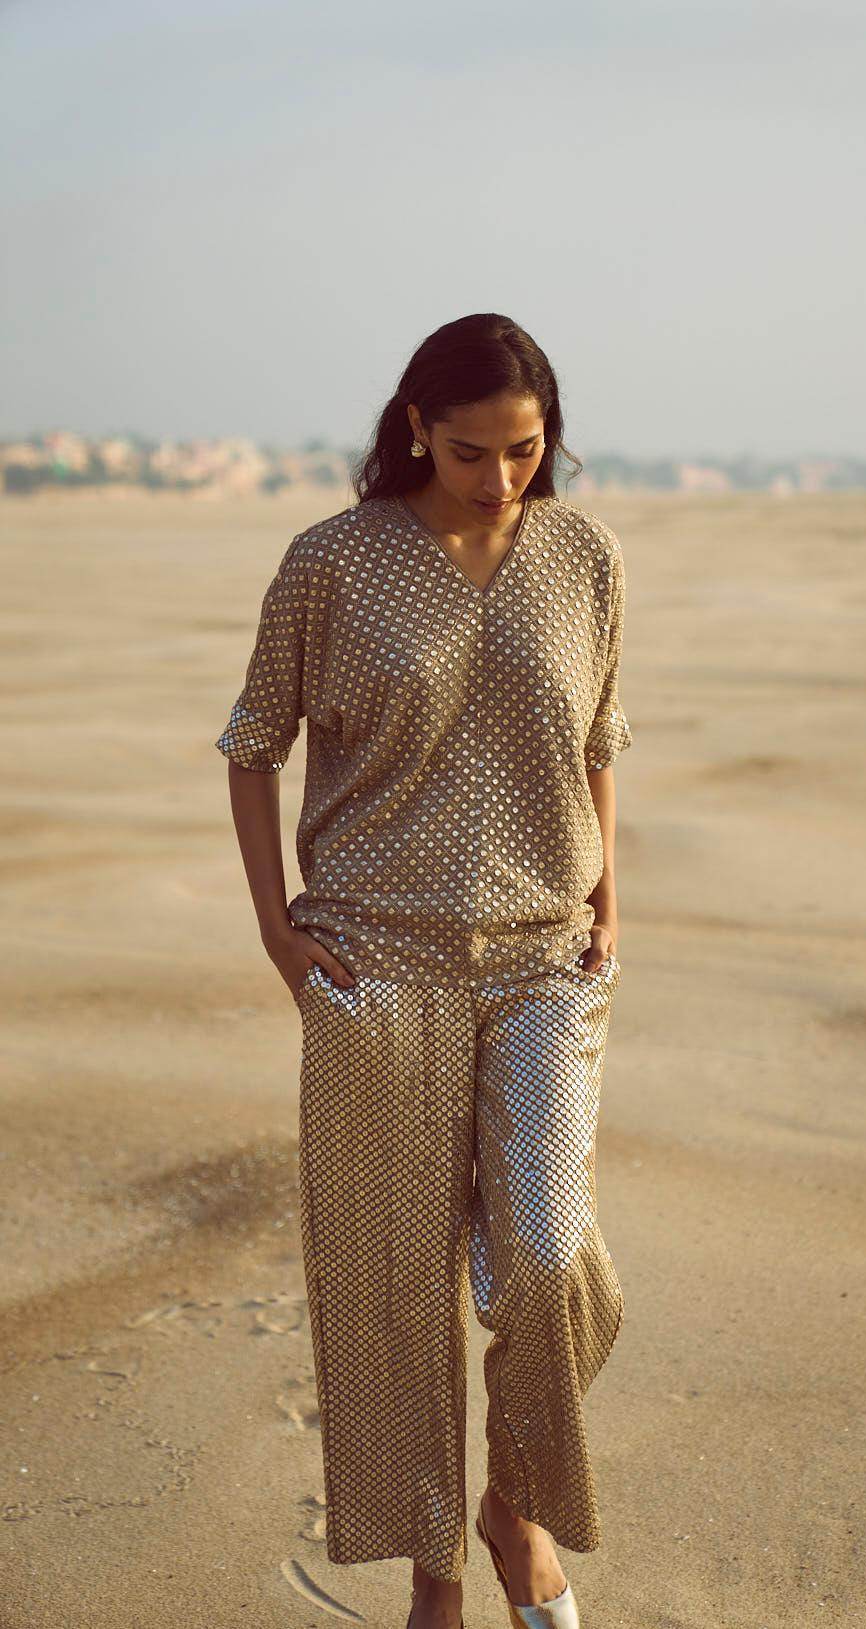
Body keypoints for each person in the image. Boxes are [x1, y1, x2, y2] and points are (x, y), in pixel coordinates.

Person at [214, 312, 633, 1629]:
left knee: (550, 1257)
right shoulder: (332, 562)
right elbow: (251, 744)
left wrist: (610, 892)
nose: (501, 478)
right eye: (470, 452)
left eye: (525, 450)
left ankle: (515, 1502)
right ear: (415, 428)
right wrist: (277, 928)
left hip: (542, 961)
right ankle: (436, 1578)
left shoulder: (583, 555)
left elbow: (599, 735)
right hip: (375, 964)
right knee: (395, 1294)